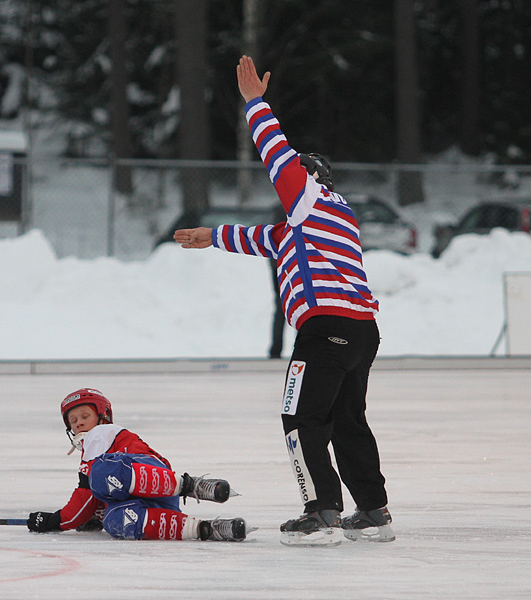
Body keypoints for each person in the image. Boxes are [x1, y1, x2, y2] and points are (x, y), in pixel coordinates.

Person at [174, 56, 394, 547]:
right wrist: (212, 236)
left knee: (301, 417)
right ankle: (373, 511)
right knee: (347, 419)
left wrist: (255, 103)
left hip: (326, 329)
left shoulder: (310, 200)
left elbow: (276, 156)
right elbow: (262, 238)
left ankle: (321, 512)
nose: (284, 190)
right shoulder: (314, 223)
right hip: (361, 330)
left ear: (310, 180)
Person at [27, 388, 249, 542]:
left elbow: (85, 497)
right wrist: (95, 517)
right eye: (73, 421)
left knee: (101, 474)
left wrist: (54, 521)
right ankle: (208, 529)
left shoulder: (100, 434)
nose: (80, 423)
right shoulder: (94, 447)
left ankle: (191, 486)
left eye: (85, 415)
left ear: (103, 416)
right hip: (149, 499)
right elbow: (93, 500)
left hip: (153, 478)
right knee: (115, 522)